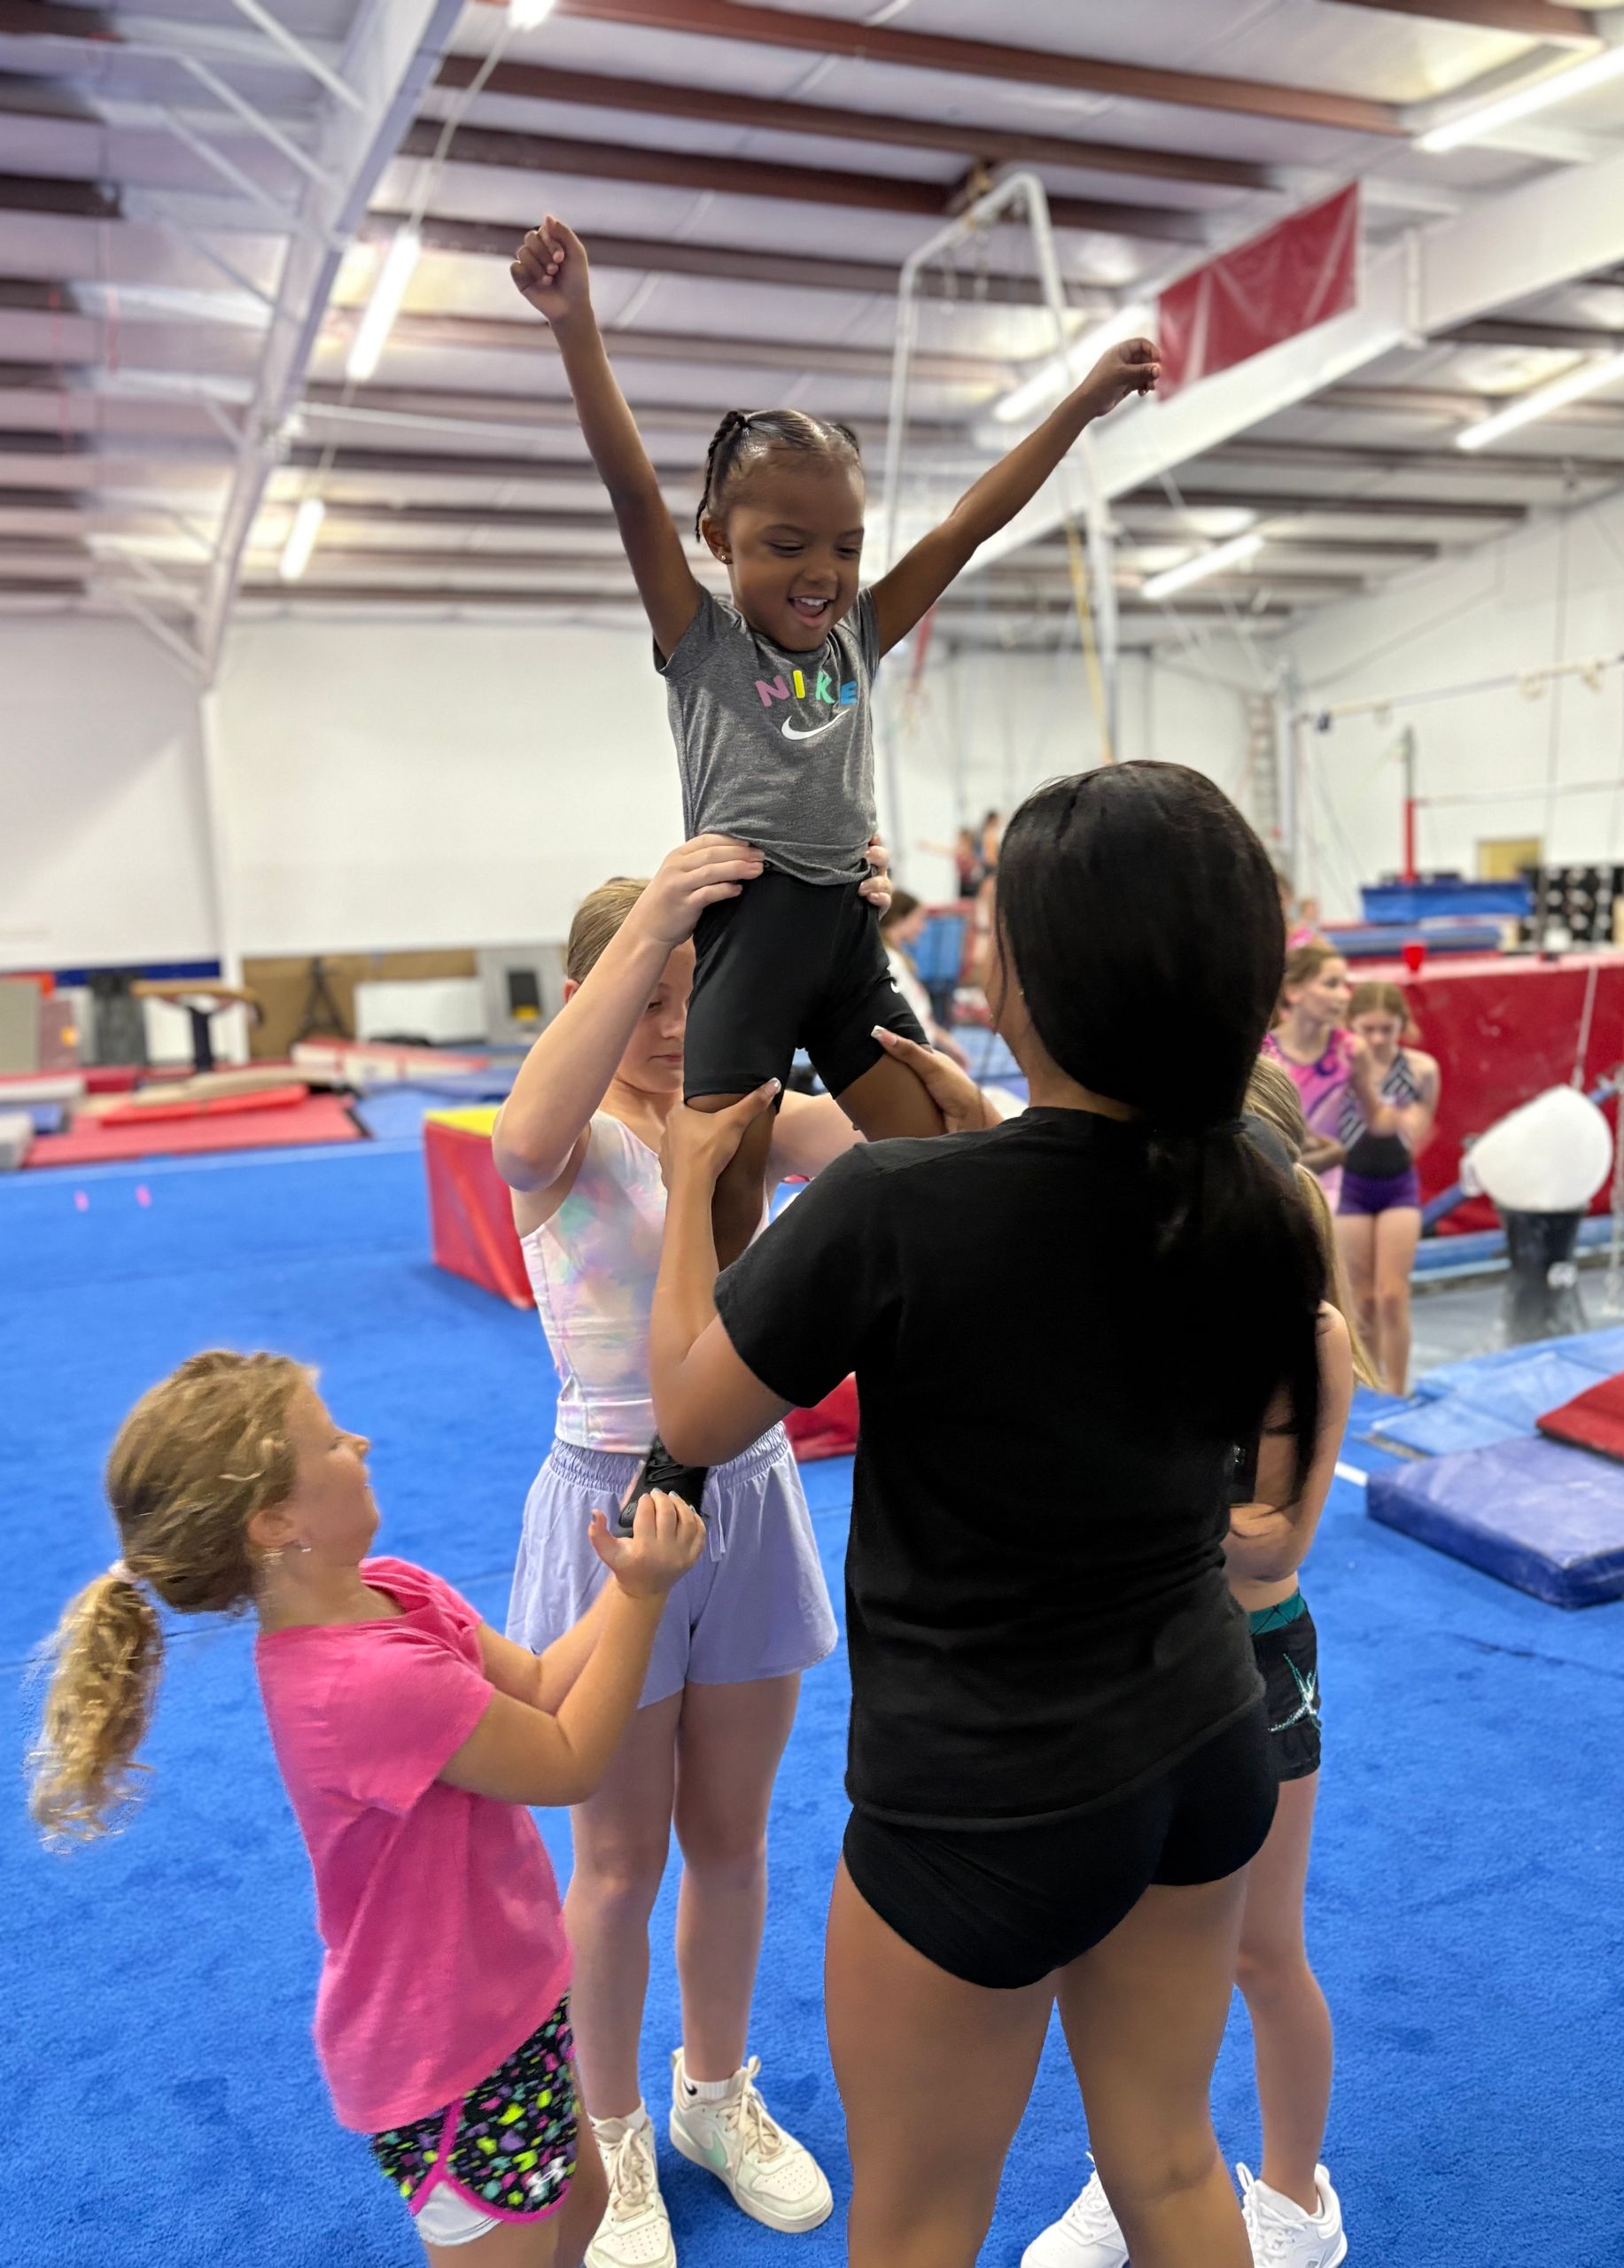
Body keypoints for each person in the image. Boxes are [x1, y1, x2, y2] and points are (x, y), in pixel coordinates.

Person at [645, 761, 1355, 2268]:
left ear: (1020, 983)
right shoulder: (1252, 1190)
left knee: (915, 2227)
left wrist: (703, 1170)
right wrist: (978, 1148)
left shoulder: (894, 1211)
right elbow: (1071, 1240)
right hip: (1197, 1746)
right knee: (1170, 2167)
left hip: (980, 1803)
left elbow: (691, 1417)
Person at [509, 210, 1159, 1510]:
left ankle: (1004, 1356)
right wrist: (577, 326)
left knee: (946, 1152)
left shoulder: (859, 636)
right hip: (747, 941)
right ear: (719, 540)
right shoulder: (701, 644)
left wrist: (1080, 405)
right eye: (783, 544)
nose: (821, 571)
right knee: (728, 1195)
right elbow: (629, 485)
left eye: (844, 545)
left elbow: (971, 523)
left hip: (848, 940)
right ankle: (687, 1442)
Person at [29, 1350, 705, 2267]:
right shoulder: (360, 1682)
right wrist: (641, 1595)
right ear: (277, 1522)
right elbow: (569, 1760)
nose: (362, 1438)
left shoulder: (396, 1590)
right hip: (448, 2048)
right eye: (331, 1440)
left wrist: (625, 1570)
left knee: (581, 2211)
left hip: (513, 1993)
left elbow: (544, 1682)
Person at [493, 839, 875, 2268]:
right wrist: (656, 913)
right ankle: (610, 2141)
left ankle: (714, 2095)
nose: (672, 1025)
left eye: (695, 995)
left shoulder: (747, 1116)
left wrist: (839, 943)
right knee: (617, 1859)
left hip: (755, 1492)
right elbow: (522, 1139)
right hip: (610, 1501)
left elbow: (909, 1148)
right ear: (597, 994)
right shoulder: (568, 1141)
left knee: (731, 1837)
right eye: (645, 997)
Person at [1023, 1060, 1375, 2268]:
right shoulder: (1142, 1311)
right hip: (1136, 1649)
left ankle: (1293, 2201)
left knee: (1258, 1951)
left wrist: (1132, 1481)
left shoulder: (1310, 1338)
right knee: (1115, 1947)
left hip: (1254, 1658)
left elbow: (1277, 1539)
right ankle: (1134, 2172)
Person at [1336, 982, 1441, 1396]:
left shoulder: (1421, 1069)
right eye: (1368, 1029)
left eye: (1387, 1029)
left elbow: (1422, 1127)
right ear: (1351, 1026)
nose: (1378, 1039)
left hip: (1397, 1185)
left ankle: (1397, 1389)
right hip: (1351, 1187)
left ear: (1403, 1024)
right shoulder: (1341, 1067)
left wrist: (1412, 1120)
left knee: (1392, 1295)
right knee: (1361, 1301)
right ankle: (1371, 1384)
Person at [1263, 944, 1372, 1209]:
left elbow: (1373, 1124)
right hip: (1277, 1183)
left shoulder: (1351, 1051)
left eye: (1345, 985)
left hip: (1336, 1189)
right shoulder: (1266, 1053)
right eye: (1331, 984)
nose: (1344, 996)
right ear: (1294, 991)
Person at [879, 891, 971, 1068]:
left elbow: (916, 1012)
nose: (922, 928)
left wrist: (945, 1041)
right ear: (900, 920)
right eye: (918, 920)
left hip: (918, 1052)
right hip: (909, 1056)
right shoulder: (889, 960)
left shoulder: (898, 958)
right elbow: (899, 1015)